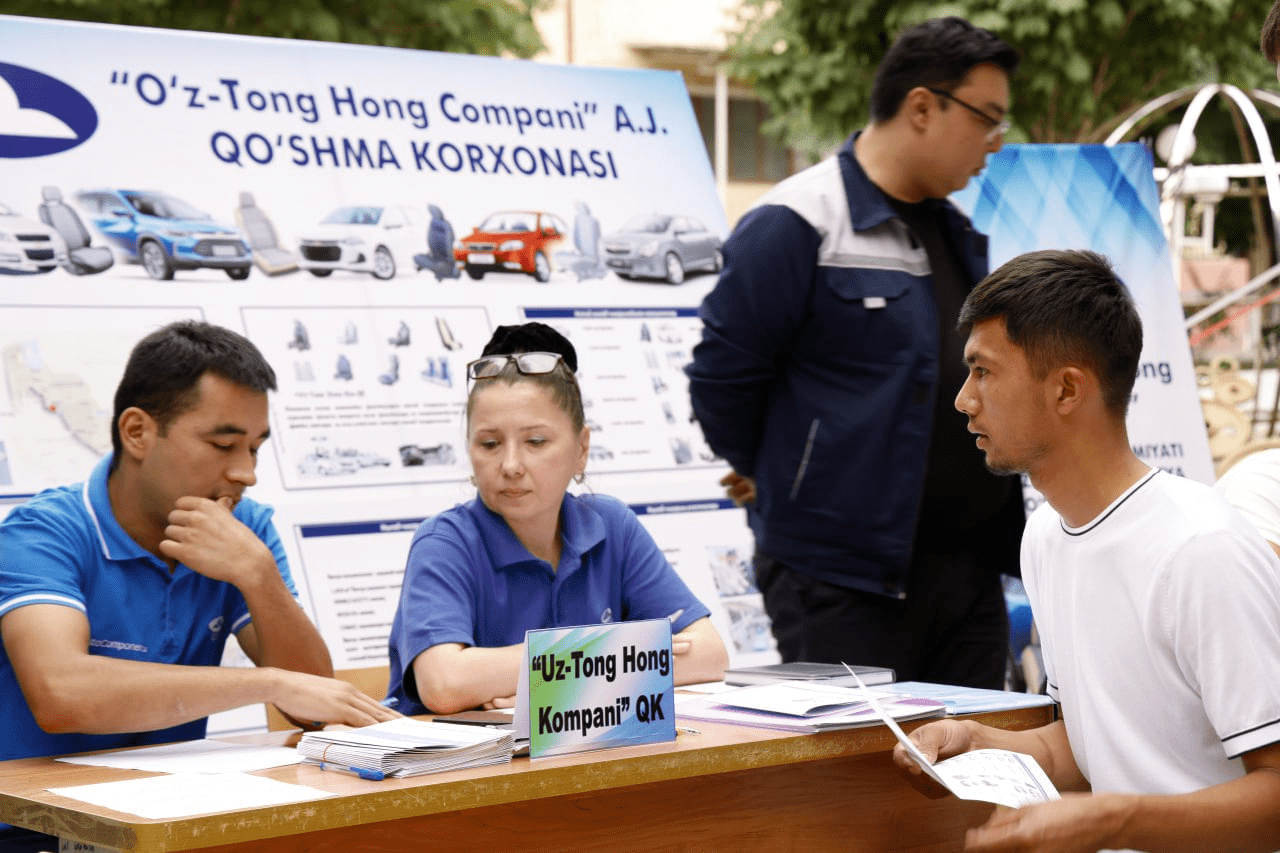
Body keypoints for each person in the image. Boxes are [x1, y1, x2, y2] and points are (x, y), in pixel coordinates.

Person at [894, 249, 1280, 852]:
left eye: (985, 371)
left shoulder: (1202, 550)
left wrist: (1109, 820)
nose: (964, 399)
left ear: (1068, 389)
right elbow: (1080, 747)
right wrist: (976, 741)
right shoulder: (1047, 537)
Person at [685, 16, 1024, 688]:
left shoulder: (958, 235)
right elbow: (721, 381)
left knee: (973, 781)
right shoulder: (799, 223)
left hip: (970, 579)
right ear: (923, 107)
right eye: (987, 118)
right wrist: (782, 474)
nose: (995, 143)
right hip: (841, 582)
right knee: (857, 788)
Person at [0, 323, 397, 756]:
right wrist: (269, 683)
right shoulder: (42, 534)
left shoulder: (242, 525)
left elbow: (312, 704)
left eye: (255, 448)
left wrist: (259, 577)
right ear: (137, 433)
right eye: (224, 444)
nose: (246, 473)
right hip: (33, 821)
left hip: (168, 812)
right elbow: (62, 694)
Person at [387, 322, 728, 715]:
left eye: (535, 442)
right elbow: (446, 684)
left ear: (581, 449)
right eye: (490, 444)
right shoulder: (445, 541)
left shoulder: (611, 524)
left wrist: (546, 685)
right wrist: (623, 653)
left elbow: (709, 654)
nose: (511, 465)